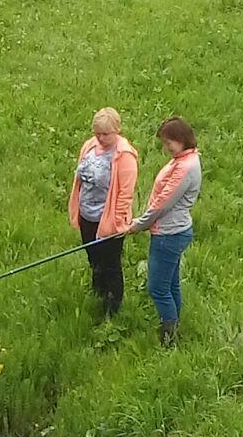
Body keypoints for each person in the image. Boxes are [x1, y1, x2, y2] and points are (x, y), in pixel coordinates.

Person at [127, 117, 201, 345]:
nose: (167, 147)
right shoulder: (185, 159)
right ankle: (174, 324)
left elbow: (162, 203)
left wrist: (138, 224)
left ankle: (168, 334)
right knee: (171, 284)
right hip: (174, 231)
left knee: (158, 287)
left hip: (169, 235)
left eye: (169, 142)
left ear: (181, 139)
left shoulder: (185, 168)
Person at [68, 107, 138, 316]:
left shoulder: (124, 156)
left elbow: (125, 194)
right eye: (97, 133)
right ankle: (98, 290)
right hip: (87, 214)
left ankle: (112, 305)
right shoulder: (90, 146)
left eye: (106, 134)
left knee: (110, 265)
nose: (100, 138)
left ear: (117, 130)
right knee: (94, 258)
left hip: (108, 220)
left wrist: (115, 224)